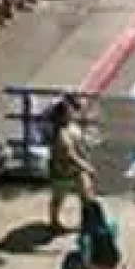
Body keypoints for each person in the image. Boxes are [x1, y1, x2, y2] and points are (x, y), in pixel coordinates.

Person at [48, 95, 95, 231]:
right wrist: (86, 166)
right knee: (59, 197)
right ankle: (54, 222)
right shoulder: (62, 134)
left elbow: (79, 144)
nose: (72, 113)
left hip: (76, 169)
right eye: (69, 111)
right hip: (64, 170)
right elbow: (69, 155)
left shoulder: (71, 126)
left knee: (86, 196)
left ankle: (87, 221)